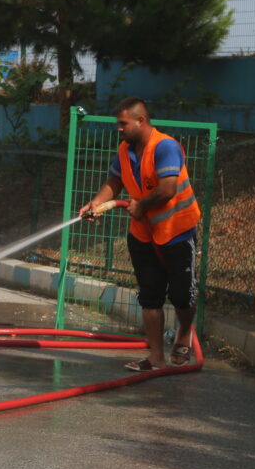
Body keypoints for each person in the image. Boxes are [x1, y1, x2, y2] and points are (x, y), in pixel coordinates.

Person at [79, 97, 201, 371]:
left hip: (177, 232)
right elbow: (115, 181)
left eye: (123, 123)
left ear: (140, 121)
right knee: (150, 296)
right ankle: (156, 357)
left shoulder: (165, 147)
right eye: (118, 124)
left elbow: (168, 189)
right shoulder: (125, 150)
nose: (119, 129)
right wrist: (97, 203)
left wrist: (141, 205)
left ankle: (184, 333)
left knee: (182, 296)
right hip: (143, 234)